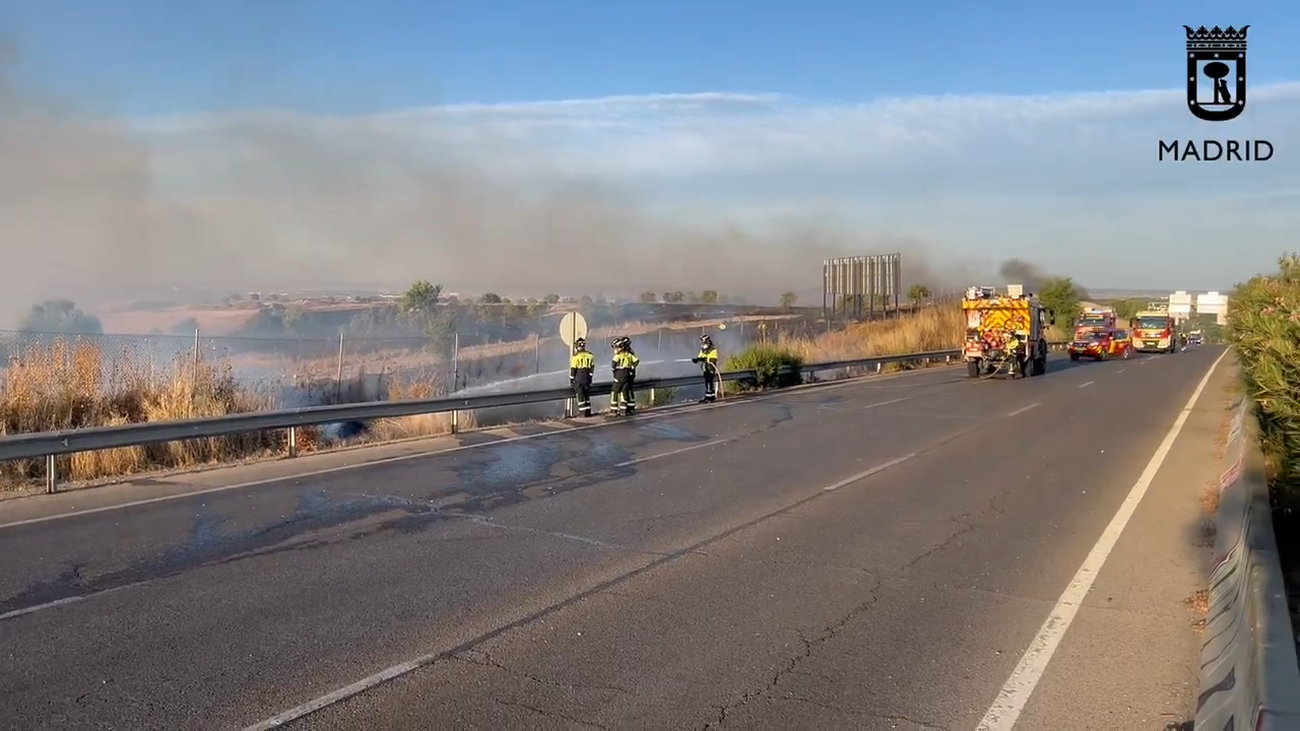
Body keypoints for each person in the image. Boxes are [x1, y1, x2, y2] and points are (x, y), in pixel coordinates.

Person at [610, 337, 640, 415]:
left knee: (616, 392)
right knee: (626, 391)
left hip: (621, 375)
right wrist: (631, 367)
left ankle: (614, 410)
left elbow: (613, 366)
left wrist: (615, 373)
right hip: (628, 375)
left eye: (616, 347)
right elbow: (636, 361)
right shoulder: (630, 353)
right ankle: (625, 410)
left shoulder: (618, 356)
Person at [568, 337, 595, 417]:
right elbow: (592, 368)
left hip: (579, 378)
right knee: (586, 395)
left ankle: (583, 413)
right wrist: (590, 378)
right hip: (587, 378)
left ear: (577, 347)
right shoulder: (590, 355)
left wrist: (571, 380)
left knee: (580, 395)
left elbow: (573, 370)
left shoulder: (575, 357)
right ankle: (588, 412)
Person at [692, 334, 720, 402]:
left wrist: (705, 359)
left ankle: (708, 397)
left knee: (709, 382)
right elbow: (701, 355)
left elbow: (713, 358)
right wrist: (697, 359)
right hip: (705, 367)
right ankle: (711, 396)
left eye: (703, 340)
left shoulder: (712, 348)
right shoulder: (703, 348)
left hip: (710, 367)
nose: (702, 342)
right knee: (707, 381)